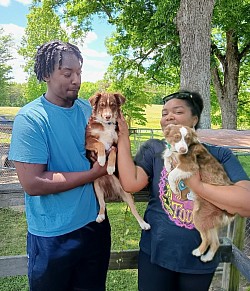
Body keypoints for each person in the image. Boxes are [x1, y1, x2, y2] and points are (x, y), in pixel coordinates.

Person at [117, 90, 250, 291]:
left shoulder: (219, 154)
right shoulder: (154, 149)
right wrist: (123, 137)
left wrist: (198, 186)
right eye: (164, 113)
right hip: (156, 252)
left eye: (177, 111)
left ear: (194, 119)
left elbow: (246, 203)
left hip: (199, 261)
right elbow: (130, 183)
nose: (169, 116)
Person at [8, 40, 111, 291]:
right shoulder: (31, 119)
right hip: (52, 234)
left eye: (78, 73)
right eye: (67, 73)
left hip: (94, 226)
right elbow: (33, 182)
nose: (76, 80)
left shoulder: (88, 109)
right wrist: (92, 174)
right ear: (45, 74)